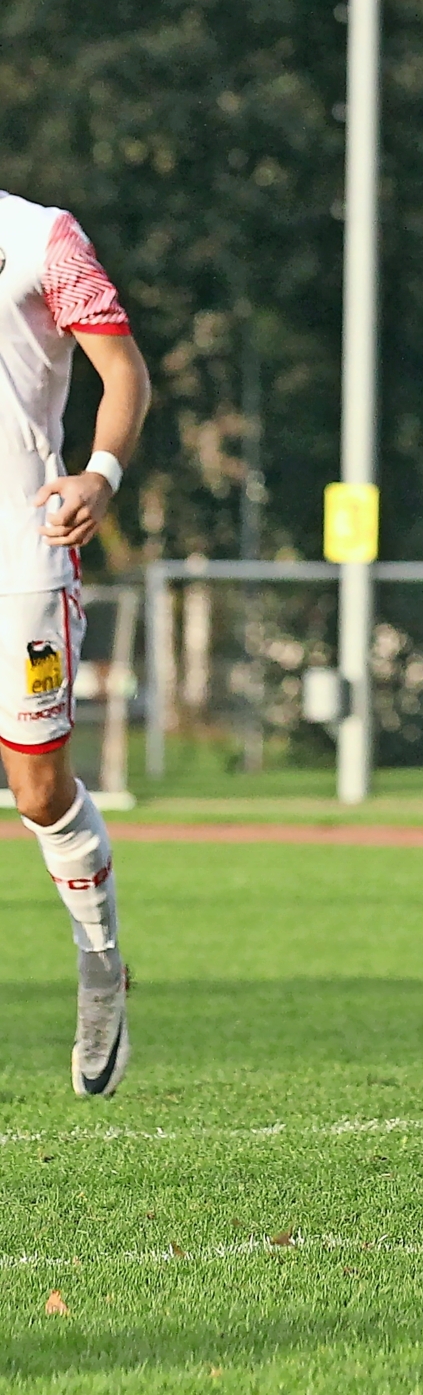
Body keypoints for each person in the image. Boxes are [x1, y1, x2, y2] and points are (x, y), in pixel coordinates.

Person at [0, 193, 150, 1098]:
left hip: (24, 556)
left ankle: (102, 967)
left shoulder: (40, 237)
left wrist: (99, 473)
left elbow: (122, 371)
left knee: (38, 787)